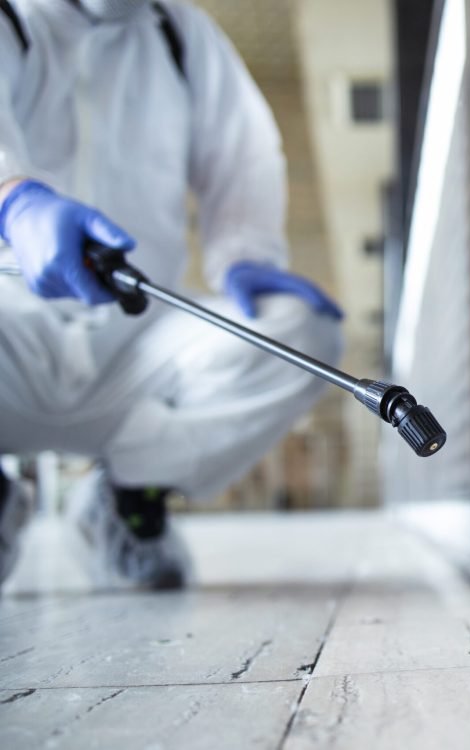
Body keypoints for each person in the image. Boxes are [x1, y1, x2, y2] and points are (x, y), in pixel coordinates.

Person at [0, 0, 344, 590]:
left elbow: (243, 152)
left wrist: (245, 253)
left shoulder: (178, 34)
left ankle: (131, 498)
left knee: (300, 329)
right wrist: (13, 199)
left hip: (137, 343)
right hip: (13, 337)